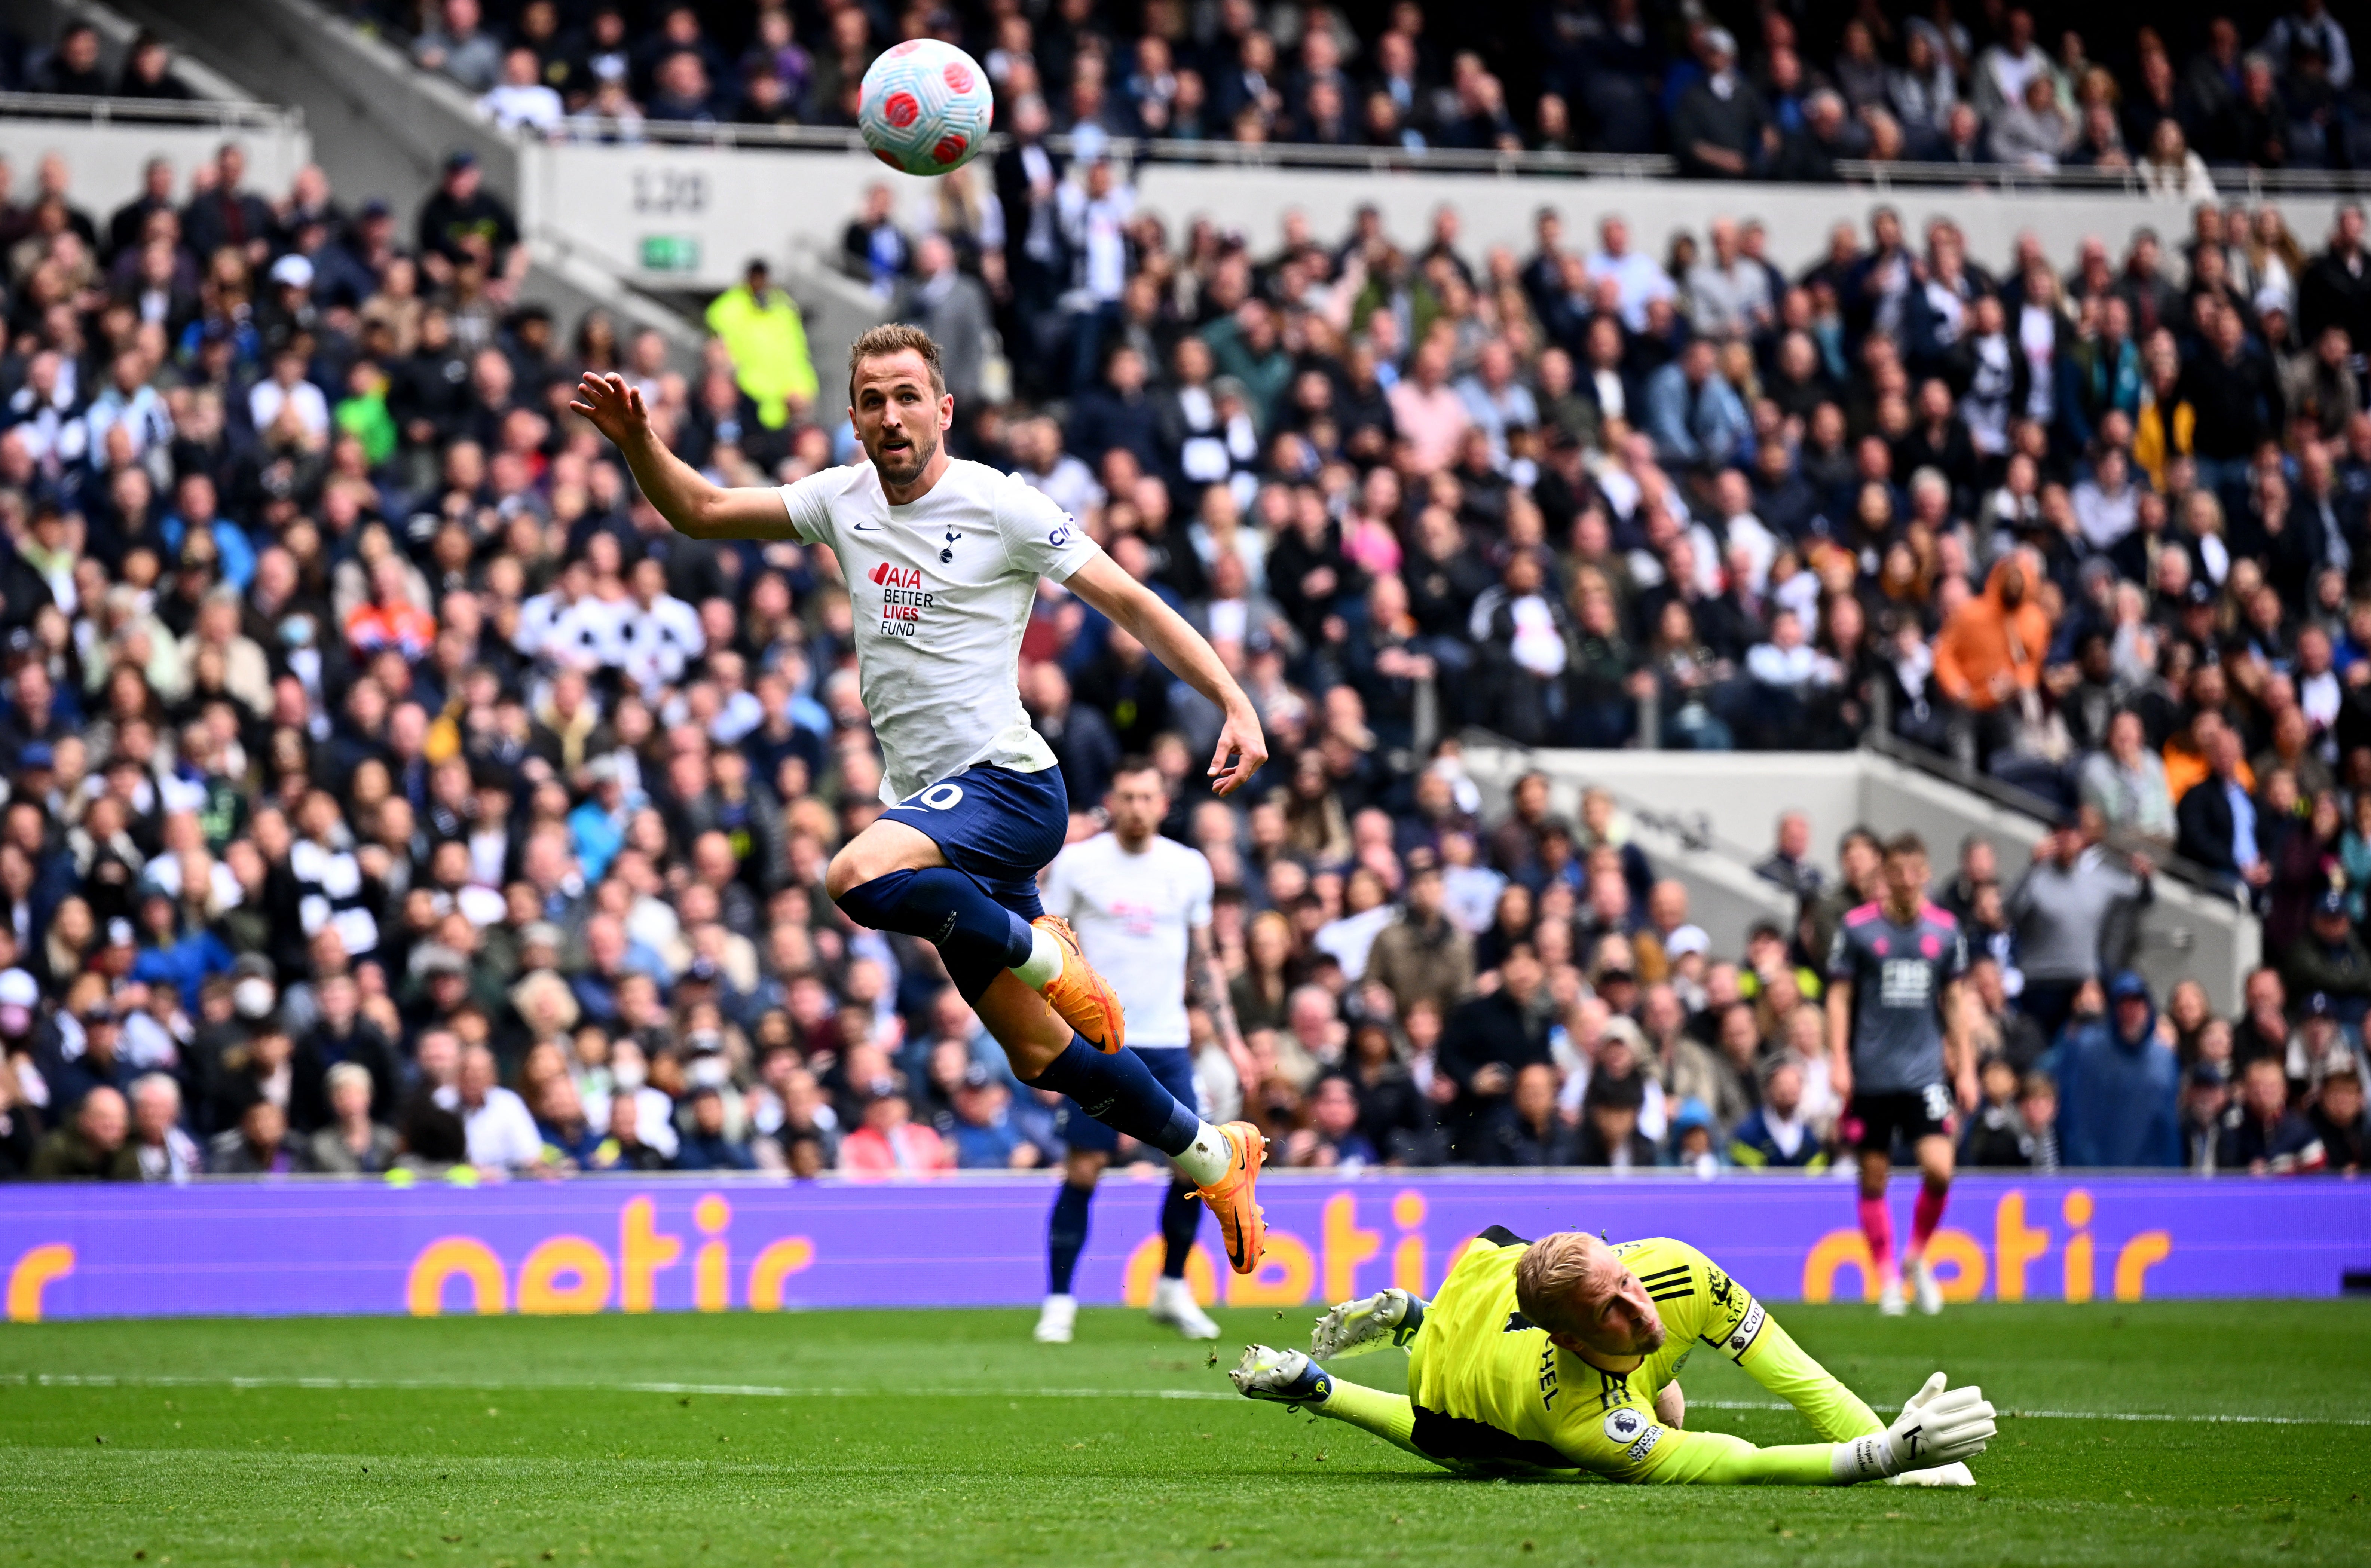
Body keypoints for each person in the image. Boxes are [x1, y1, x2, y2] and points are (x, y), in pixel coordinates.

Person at [570, 324, 1273, 1273]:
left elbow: (1134, 601)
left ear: (943, 409)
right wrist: (636, 442)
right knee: (1039, 1057)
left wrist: (1232, 698)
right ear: (854, 417)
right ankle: (1209, 1151)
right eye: (872, 399)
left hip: (1011, 788)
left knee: (853, 873)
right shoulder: (840, 498)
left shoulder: (1001, 505)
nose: (890, 415)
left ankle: (1039, 947)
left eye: (908, 395)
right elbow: (698, 509)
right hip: (941, 821)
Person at [1229, 1228, 1994, 1486]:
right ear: (1566, 1338)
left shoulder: (1678, 1268)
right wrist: (1876, 1454)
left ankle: (1419, 1317)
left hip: (1497, 1268)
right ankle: (1326, 1381)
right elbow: (1730, 1461)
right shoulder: (1573, 1412)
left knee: (1664, 1395)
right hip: (1467, 1383)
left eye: (1626, 1282)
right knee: (1472, 1454)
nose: (1642, 1310)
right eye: (1613, 1311)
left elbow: (1799, 1375)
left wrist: (1907, 1453)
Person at [1032, 759, 1244, 1345]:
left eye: (1146, 796)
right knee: (1084, 1167)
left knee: (1195, 1165)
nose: (1136, 807)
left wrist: (1233, 1043)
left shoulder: (1187, 868)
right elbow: (1049, 944)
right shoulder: (1079, 863)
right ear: (1112, 800)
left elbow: (1204, 961)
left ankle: (1173, 1287)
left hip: (1169, 1042)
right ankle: (1059, 1301)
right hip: (1096, 1041)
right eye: (1126, 796)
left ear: (1162, 801)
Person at [1825, 833, 1975, 1318]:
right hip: (1871, 1075)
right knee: (1873, 1178)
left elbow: (1954, 1002)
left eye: (1915, 870)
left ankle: (1913, 1259)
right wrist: (1839, 1060)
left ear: (1926, 873)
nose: (1907, 880)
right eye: (1897, 871)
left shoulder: (1946, 932)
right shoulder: (1857, 929)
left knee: (1939, 1169)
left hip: (1924, 1075)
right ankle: (1887, 1278)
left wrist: (1966, 1066)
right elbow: (1839, 997)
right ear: (1885, 876)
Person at [2046, 971, 2182, 1167]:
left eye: (2137, 1003)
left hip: (2148, 1180)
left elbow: (2168, 1128)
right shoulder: (2086, 1050)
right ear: (2113, 1009)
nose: (2131, 1012)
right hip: (2092, 1176)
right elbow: (2071, 1114)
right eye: (2124, 1004)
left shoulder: (2164, 1061)